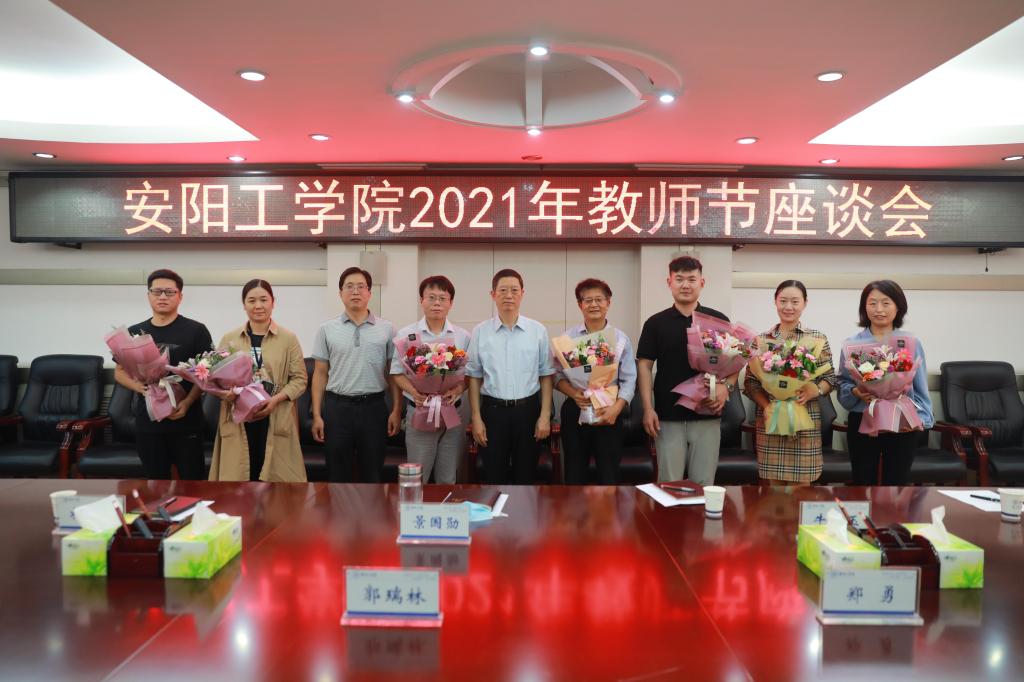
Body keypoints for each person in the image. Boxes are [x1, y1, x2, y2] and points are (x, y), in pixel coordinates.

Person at [636, 256, 736, 485]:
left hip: (707, 413)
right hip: (667, 415)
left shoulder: (717, 320)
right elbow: (644, 365)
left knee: (704, 482)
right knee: (669, 482)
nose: (685, 285)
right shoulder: (655, 323)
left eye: (691, 279)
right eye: (679, 279)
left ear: (702, 282)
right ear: (669, 282)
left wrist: (726, 387)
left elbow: (737, 361)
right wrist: (648, 408)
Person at [115, 269, 212, 479]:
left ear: (180, 296)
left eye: (169, 292)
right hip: (148, 422)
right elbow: (119, 372)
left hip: (187, 420)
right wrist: (139, 388)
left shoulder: (196, 330)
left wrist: (187, 403)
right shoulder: (134, 332)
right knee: (155, 483)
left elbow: (205, 374)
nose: (162, 297)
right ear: (148, 295)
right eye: (157, 291)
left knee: (192, 482)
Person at [209, 279, 308, 482]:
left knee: (274, 480)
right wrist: (226, 394)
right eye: (252, 300)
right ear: (244, 304)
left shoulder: (288, 338)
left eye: (264, 299)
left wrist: (276, 400)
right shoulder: (230, 338)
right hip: (239, 418)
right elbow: (214, 378)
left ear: (273, 302)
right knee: (240, 478)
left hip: (274, 414)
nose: (258, 305)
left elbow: (300, 379)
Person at [837, 279, 934, 485]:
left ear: (898, 307)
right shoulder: (853, 344)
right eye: (872, 303)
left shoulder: (909, 343)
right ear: (864, 307)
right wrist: (855, 392)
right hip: (864, 419)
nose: (878, 309)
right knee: (863, 483)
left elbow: (920, 387)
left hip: (902, 422)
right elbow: (843, 384)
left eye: (886, 303)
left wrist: (921, 420)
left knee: (897, 485)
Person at [311, 267, 401, 482]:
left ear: (369, 293)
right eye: (349, 287)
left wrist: (397, 410)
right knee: (337, 475)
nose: (355, 291)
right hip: (337, 409)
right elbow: (320, 374)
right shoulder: (326, 329)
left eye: (361, 287)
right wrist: (317, 415)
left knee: (372, 474)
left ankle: (372, 507)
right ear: (340, 293)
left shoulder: (388, 329)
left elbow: (393, 374)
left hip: (374, 408)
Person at [743, 280, 837, 485]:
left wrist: (816, 390)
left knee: (802, 490)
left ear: (805, 303)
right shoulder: (761, 340)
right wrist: (767, 406)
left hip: (804, 422)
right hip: (771, 422)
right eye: (783, 301)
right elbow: (750, 383)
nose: (788, 307)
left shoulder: (817, 338)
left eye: (795, 301)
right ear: (775, 302)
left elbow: (830, 377)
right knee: (772, 493)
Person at [466, 268, 555, 484]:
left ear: (522, 294)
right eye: (503, 290)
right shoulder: (480, 331)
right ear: (493, 294)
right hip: (493, 412)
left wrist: (544, 416)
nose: (509, 295)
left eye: (514, 290)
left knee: (526, 477)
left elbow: (546, 375)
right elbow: (474, 377)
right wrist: (476, 418)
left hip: (528, 412)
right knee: (493, 477)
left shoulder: (537, 331)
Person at [389, 275, 471, 484]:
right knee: (417, 477)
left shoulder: (463, 336)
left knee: (448, 477)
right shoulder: (407, 335)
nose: (437, 303)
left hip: (452, 413)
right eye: (431, 297)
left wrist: (458, 389)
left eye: (443, 298)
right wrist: (414, 391)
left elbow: (471, 374)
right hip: (420, 410)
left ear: (451, 303)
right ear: (421, 300)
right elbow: (397, 373)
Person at [554, 278, 637, 485]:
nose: (594, 305)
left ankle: (608, 508)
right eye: (588, 300)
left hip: (609, 410)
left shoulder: (620, 339)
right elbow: (556, 376)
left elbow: (629, 379)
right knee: (574, 472)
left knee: (609, 474)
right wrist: (574, 394)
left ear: (608, 303)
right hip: (576, 408)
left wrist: (616, 409)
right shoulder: (567, 339)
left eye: (599, 299)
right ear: (580, 305)